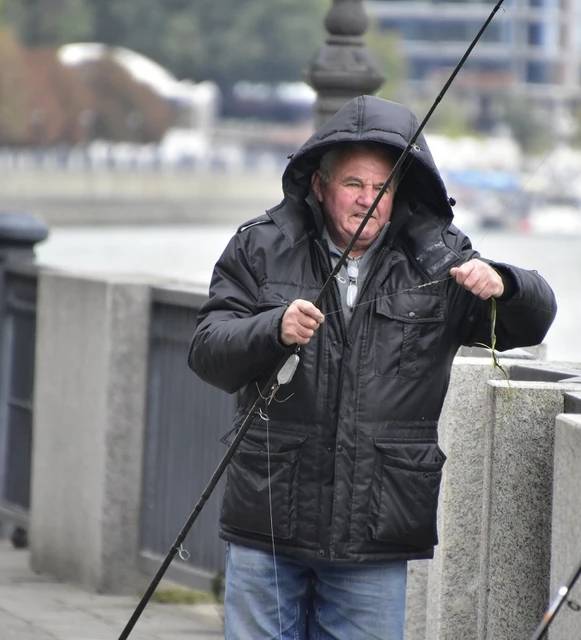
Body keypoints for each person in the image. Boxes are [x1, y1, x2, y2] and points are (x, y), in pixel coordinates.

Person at [189, 95, 557, 640]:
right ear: (320, 186)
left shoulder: (440, 258)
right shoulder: (260, 246)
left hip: (376, 532)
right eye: (353, 185)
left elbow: (535, 321)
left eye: (380, 188)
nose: (368, 201)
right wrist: (273, 328)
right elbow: (206, 350)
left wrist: (506, 283)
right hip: (266, 520)